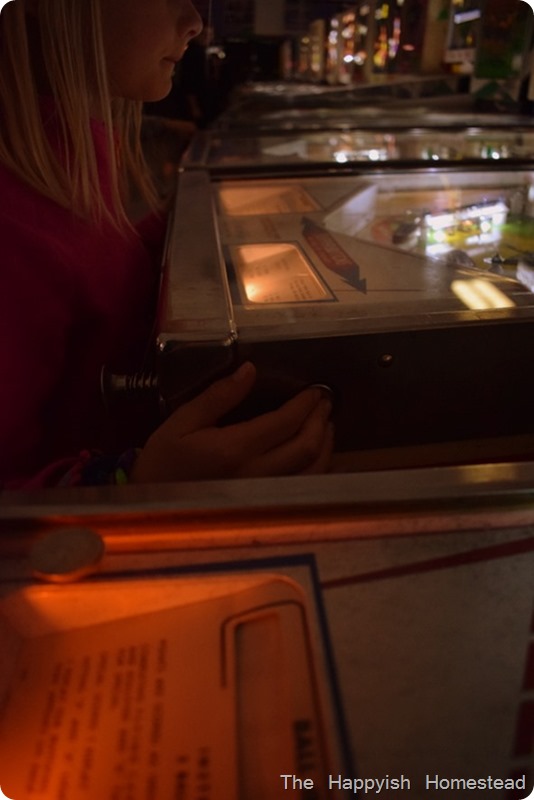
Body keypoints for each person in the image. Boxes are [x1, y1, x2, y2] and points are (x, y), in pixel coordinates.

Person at [0, 0, 334, 488]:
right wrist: (137, 485)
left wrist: (208, 220)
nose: (195, 23)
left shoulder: (70, 147)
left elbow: (97, 259)